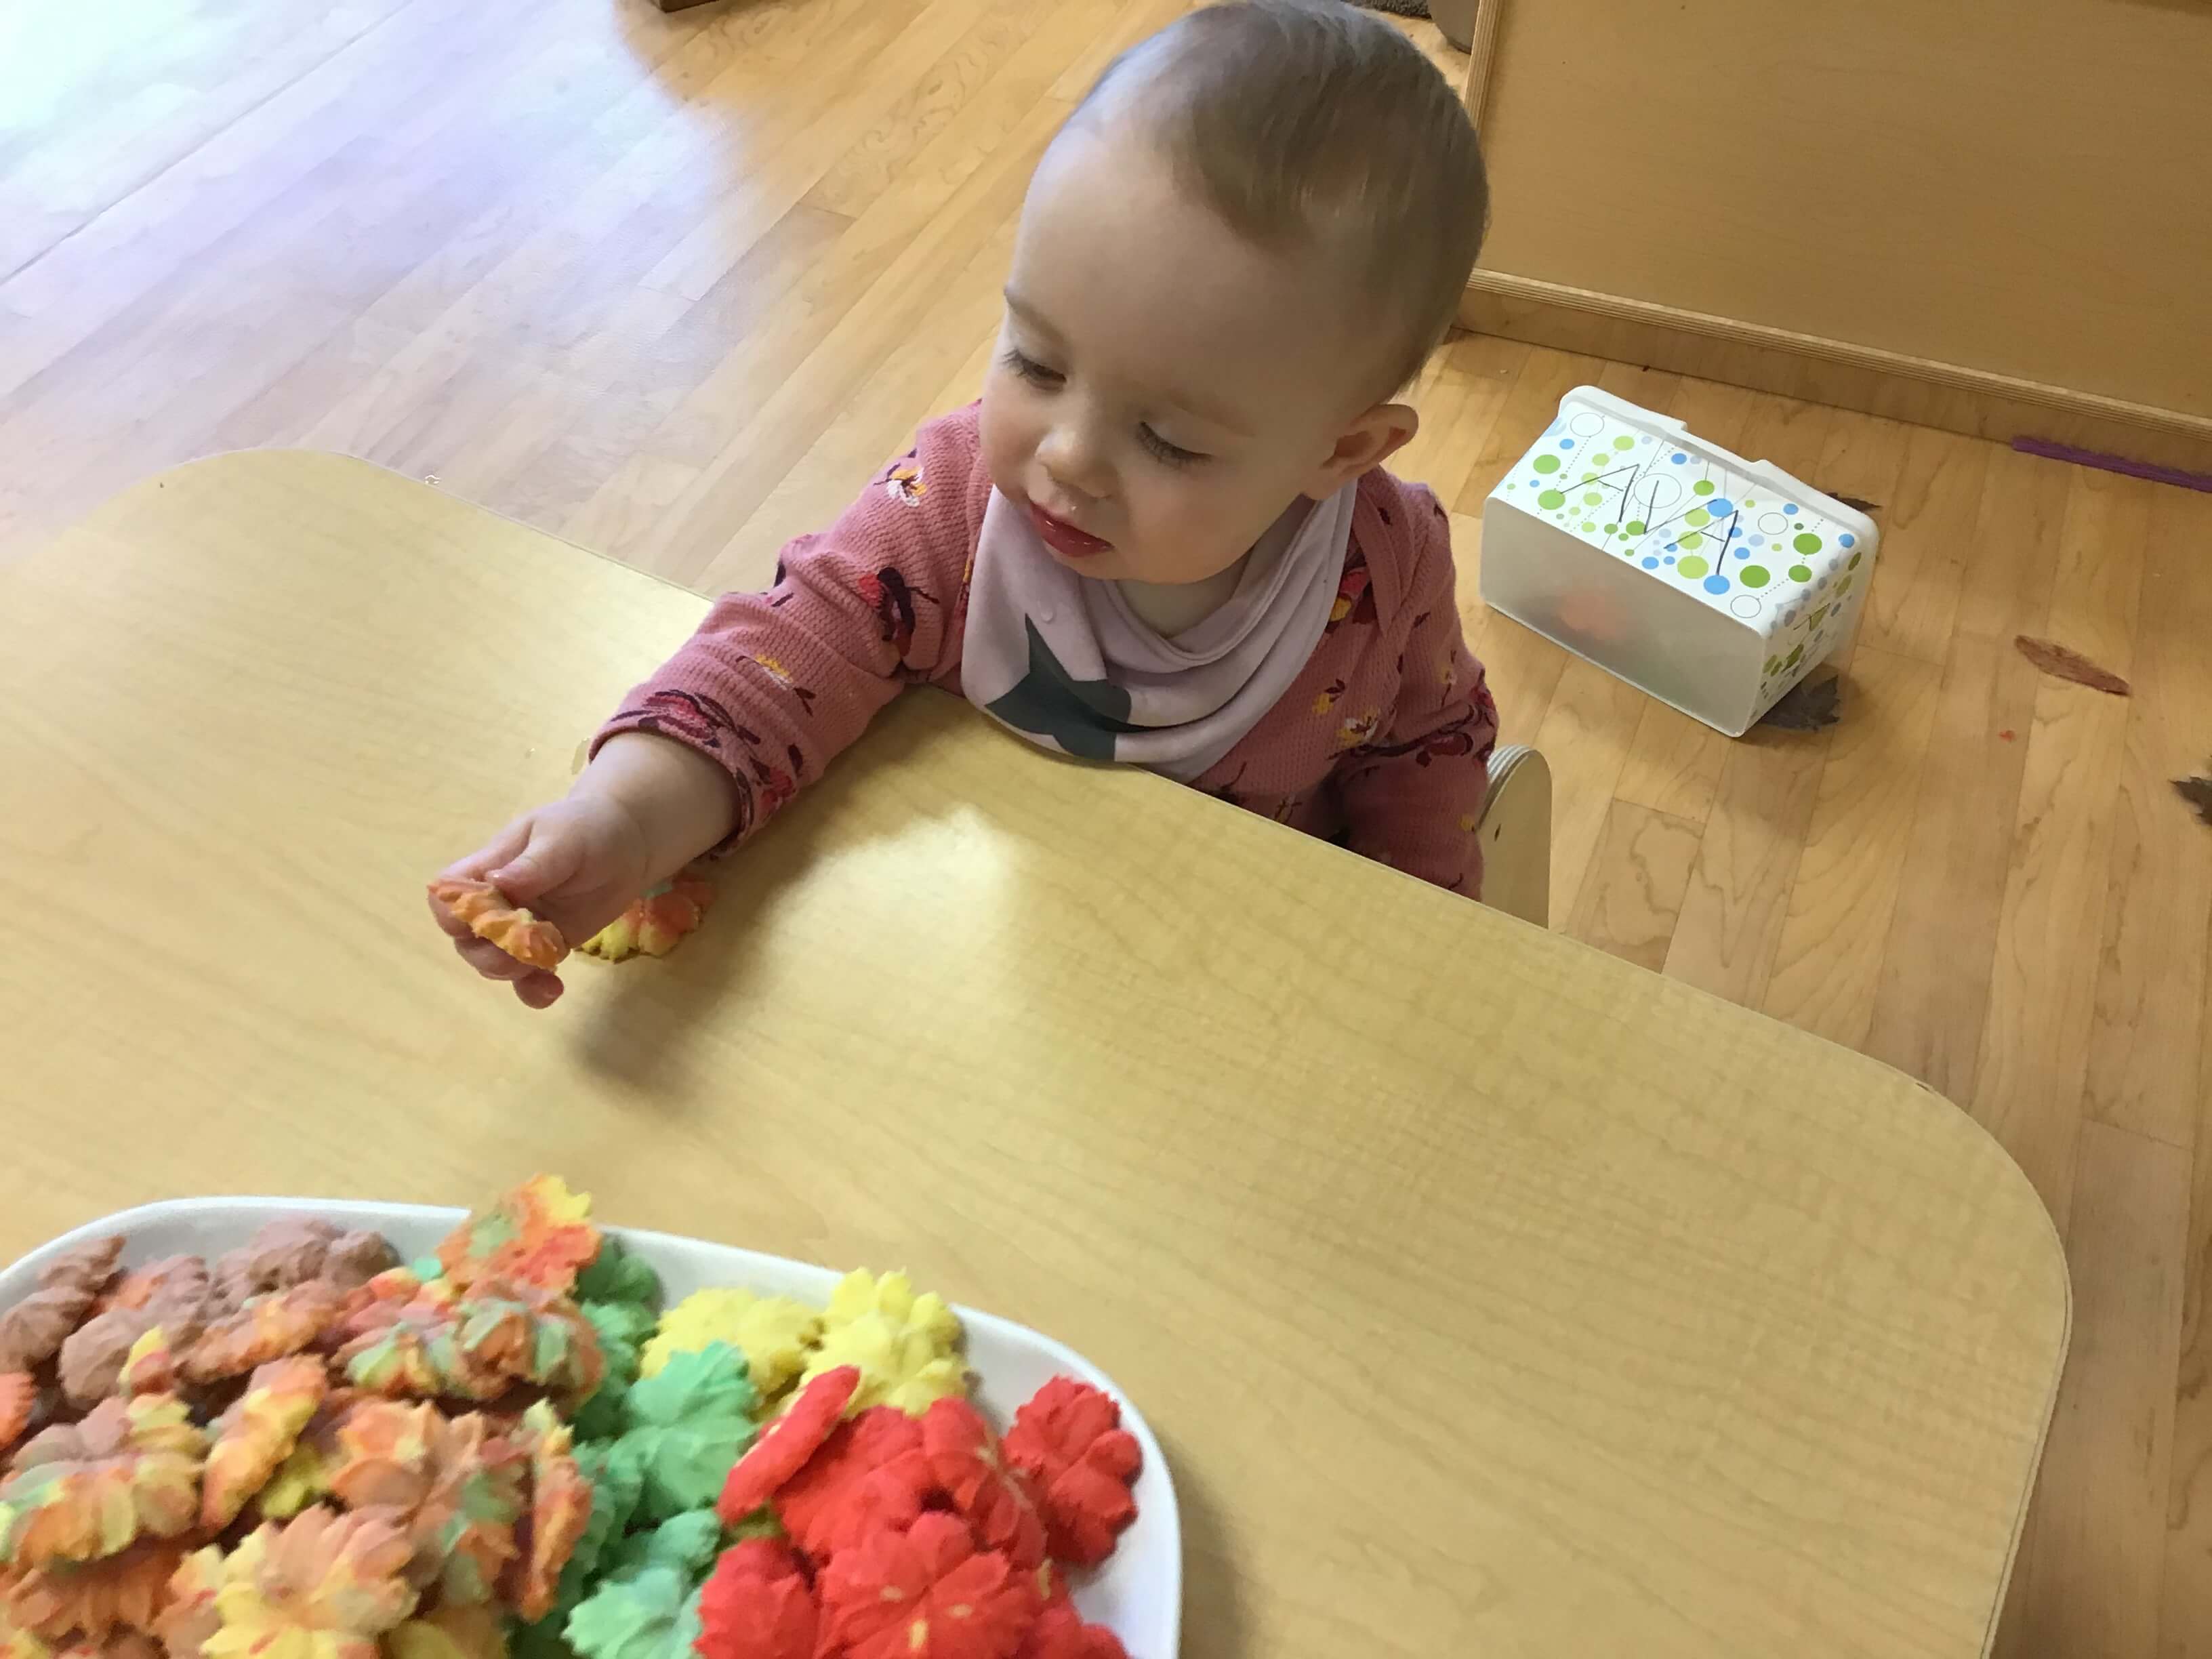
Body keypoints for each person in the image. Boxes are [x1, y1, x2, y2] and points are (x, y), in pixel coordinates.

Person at [432, 0, 1497, 1007]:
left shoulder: (1389, 571)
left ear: (1339, 450)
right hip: (977, 953)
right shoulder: (955, 507)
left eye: (1169, 440)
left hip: (1237, 974)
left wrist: (1421, 956)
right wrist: (625, 818)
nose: (1068, 457)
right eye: (1037, 361)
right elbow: (786, 654)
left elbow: (1431, 748)